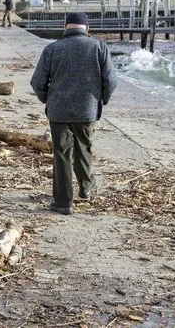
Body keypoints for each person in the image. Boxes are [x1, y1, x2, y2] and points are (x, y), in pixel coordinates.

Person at [29, 12, 117, 215]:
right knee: (84, 148)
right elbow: (111, 81)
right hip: (87, 109)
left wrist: (46, 98)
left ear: (65, 27)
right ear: (87, 28)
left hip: (59, 110)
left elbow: (37, 82)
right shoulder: (98, 47)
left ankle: (63, 202)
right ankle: (86, 187)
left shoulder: (52, 49)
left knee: (62, 154)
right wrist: (101, 99)